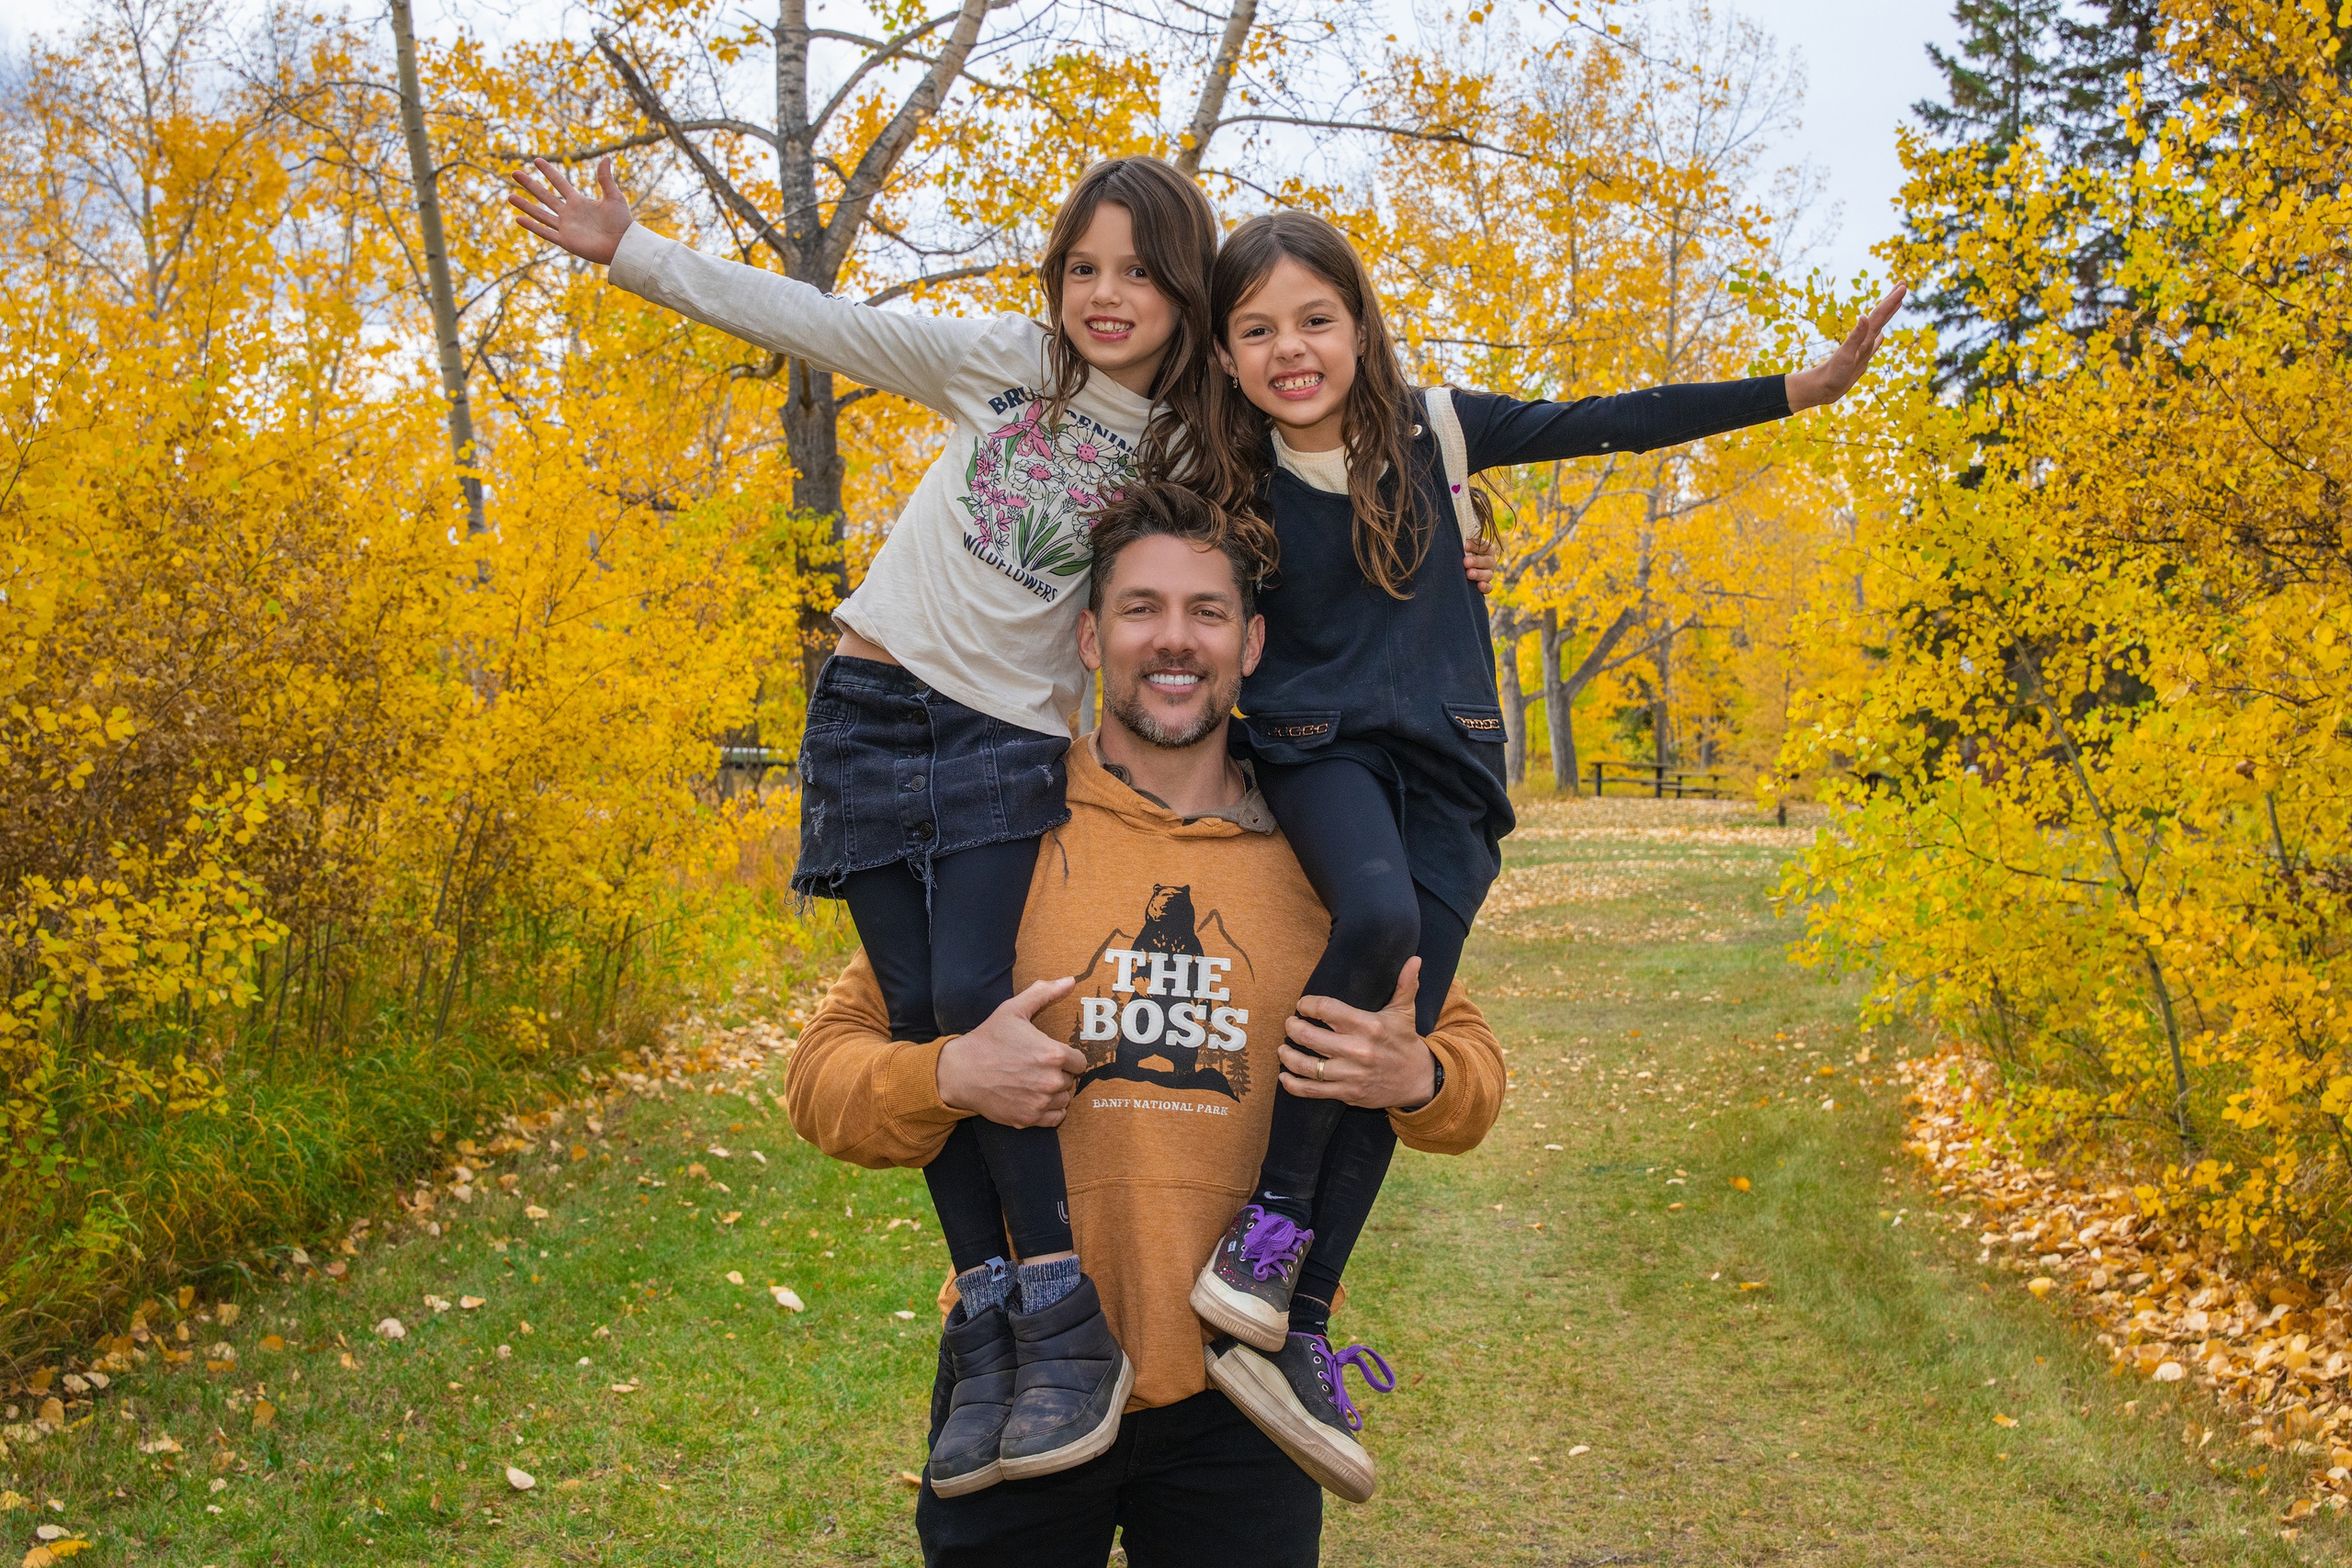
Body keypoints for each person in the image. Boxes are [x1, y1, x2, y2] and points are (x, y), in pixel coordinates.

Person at [507, 152, 1225, 1484]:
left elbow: (1312, 498)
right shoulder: (1008, 365)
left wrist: (1456, 526)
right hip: (868, 709)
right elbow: (819, 322)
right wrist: (632, 251)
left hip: (1004, 736)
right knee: (911, 1023)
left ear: (1186, 286)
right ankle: (989, 1311)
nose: (1104, 294)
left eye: (1136, 271)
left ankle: (1062, 1301)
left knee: (972, 997)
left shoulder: (1189, 444)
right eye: (1082, 266)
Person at [1183, 209, 1905, 1450]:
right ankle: (1264, 1235)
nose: (1289, 349)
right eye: (1256, 330)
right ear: (1224, 353)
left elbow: (1611, 419)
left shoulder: (1441, 433)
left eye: (1314, 319)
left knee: (1400, 1025)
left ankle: (1295, 1322)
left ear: (1360, 325)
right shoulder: (1224, 477)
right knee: (1377, 920)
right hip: (1319, 748)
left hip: (1454, 764)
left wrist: (1802, 388)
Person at [785, 482, 1505, 1562]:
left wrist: (1416, 1078)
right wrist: (947, 1076)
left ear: (1251, 643)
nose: (1174, 640)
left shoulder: (1333, 852)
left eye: (1207, 611)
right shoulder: (996, 832)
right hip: (1021, 1375)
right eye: (1140, 608)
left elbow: (1467, 1073)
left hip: (1243, 1393)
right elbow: (820, 1081)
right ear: (1088, 637)